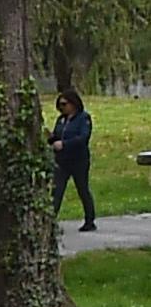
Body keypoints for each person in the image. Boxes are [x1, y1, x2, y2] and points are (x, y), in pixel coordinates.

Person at [52, 91, 98, 233]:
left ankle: (90, 220)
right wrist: (51, 139)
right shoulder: (61, 120)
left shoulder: (83, 118)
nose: (62, 107)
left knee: (82, 189)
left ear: (73, 104)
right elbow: (56, 135)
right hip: (62, 161)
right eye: (60, 105)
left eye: (64, 104)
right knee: (57, 190)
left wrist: (65, 144)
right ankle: (50, 221)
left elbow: (83, 138)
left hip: (78, 160)